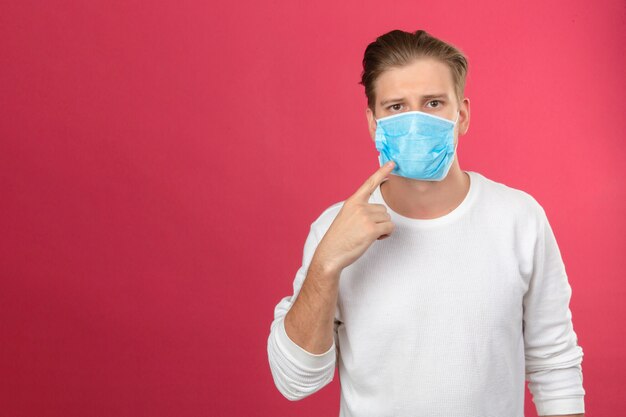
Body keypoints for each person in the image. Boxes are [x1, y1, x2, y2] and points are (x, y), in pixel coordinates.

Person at [266, 29, 585, 417]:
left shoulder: (519, 218)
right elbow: (295, 381)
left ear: (461, 114)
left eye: (433, 103)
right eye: (396, 107)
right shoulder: (333, 228)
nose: (415, 123)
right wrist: (325, 263)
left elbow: (554, 365)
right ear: (373, 122)